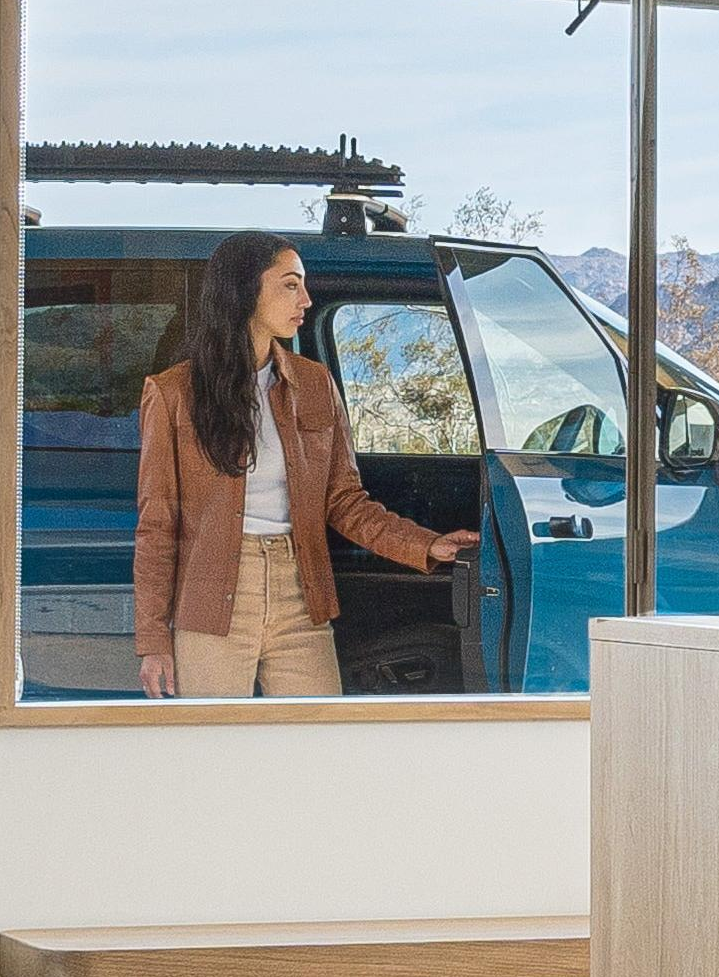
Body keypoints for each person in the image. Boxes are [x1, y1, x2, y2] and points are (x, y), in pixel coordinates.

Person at [137, 227, 471, 698]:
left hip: (300, 592)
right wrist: (153, 640)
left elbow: (344, 501)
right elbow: (157, 525)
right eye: (290, 284)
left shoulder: (314, 385)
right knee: (211, 752)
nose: (307, 299)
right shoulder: (172, 393)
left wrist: (427, 545)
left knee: (317, 744)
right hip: (212, 602)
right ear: (245, 291)